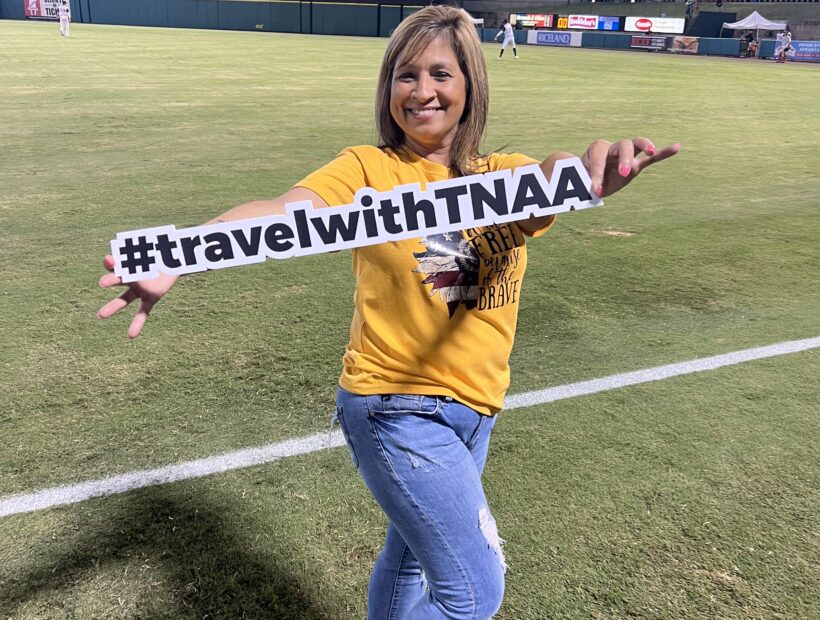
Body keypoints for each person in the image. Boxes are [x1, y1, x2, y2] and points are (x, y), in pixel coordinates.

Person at [98, 6, 679, 618]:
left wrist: (586, 173)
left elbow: (551, 176)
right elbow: (282, 212)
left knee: (408, 562)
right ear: (388, 88)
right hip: (396, 406)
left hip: (476, 410)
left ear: (470, 85)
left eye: (440, 74)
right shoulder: (365, 170)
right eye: (406, 75)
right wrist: (181, 254)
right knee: (473, 592)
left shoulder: (502, 176)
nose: (423, 91)